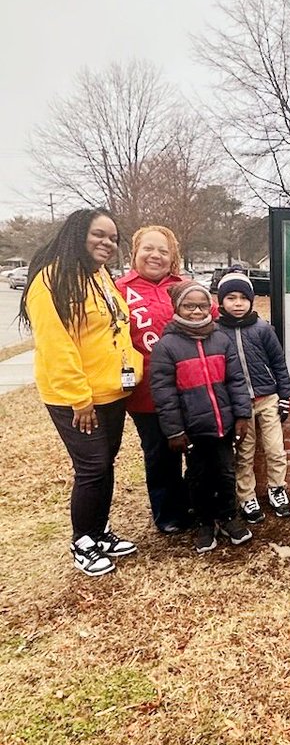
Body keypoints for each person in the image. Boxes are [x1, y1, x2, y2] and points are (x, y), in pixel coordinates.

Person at [20, 208, 140, 577]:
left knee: (105, 464)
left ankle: (99, 532)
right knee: (92, 467)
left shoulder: (99, 276)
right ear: (77, 234)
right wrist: (79, 397)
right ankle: (82, 541)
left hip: (111, 391)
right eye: (98, 235)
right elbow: (57, 345)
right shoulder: (51, 280)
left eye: (112, 238)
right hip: (76, 397)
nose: (107, 243)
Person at [149, 280, 253, 554]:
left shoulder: (221, 338)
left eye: (202, 305)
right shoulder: (166, 346)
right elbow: (164, 393)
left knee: (226, 473)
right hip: (193, 429)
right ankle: (204, 523)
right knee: (198, 476)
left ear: (211, 306)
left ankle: (228, 517)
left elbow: (236, 381)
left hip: (224, 425)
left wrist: (242, 415)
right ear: (177, 307)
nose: (196, 311)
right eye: (189, 306)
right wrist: (174, 431)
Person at [116, 226, 192, 533]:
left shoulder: (184, 287)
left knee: (198, 449)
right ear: (134, 253)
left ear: (172, 256)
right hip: (146, 393)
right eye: (149, 248)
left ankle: (193, 502)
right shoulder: (119, 290)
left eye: (163, 250)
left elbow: (212, 319)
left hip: (190, 388)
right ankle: (168, 515)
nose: (156, 256)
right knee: (160, 454)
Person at [215, 267, 290, 522]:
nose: (238, 303)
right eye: (231, 298)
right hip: (239, 405)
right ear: (221, 301)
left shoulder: (262, 329)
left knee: (275, 449)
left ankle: (277, 489)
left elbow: (279, 364)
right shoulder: (215, 333)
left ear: (251, 300)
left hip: (267, 398)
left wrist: (284, 397)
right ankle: (247, 497)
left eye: (243, 298)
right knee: (244, 453)